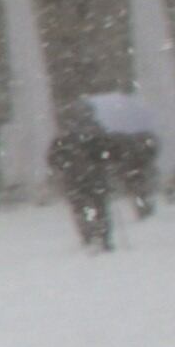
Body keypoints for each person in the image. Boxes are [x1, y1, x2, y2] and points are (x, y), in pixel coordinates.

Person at [54, 107, 125, 253]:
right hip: (96, 178)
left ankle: (88, 234)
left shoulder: (65, 137)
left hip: (75, 179)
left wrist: (63, 165)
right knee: (101, 208)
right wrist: (107, 159)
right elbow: (113, 152)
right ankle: (103, 237)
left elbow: (54, 157)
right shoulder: (98, 133)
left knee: (81, 208)